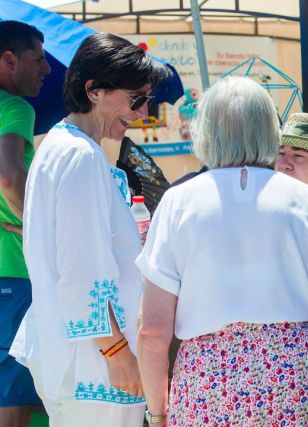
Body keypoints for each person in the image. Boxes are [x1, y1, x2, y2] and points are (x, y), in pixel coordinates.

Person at [135, 76, 308, 427]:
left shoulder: (178, 203)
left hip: (207, 386)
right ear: (271, 131)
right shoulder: (304, 200)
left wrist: (157, 412)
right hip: (297, 380)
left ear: (205, 132)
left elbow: (152, 331)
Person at [9, 33, 168, 427]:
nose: (143, 111)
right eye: (136, 99)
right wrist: (118, 355)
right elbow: (81, 272)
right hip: (92, 365)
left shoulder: (66, 148)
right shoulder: (78, 156)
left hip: (84, 358)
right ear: (94, 91)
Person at [0, 21, 50, 427]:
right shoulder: (13, 107)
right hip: (13, 274)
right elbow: (7, 175)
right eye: (38, 59)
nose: (47, 69)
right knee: (13, 395)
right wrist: (35, 229)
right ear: (8, 60)